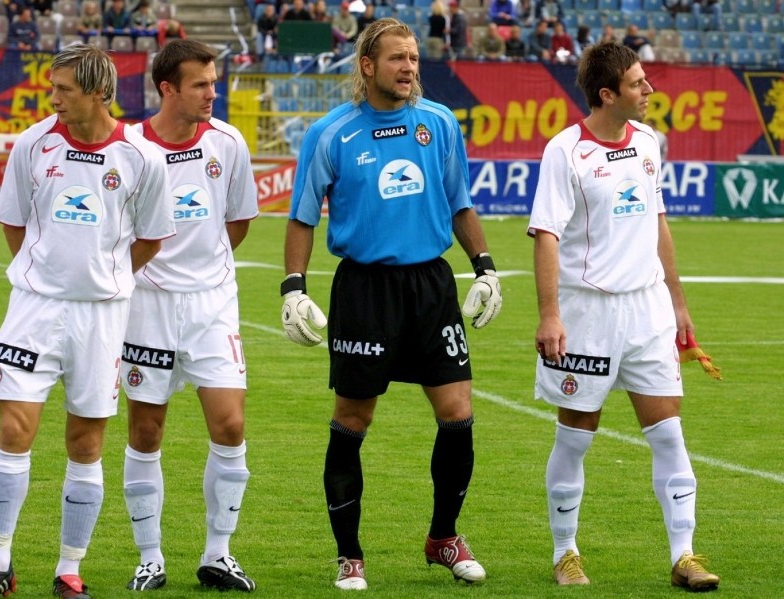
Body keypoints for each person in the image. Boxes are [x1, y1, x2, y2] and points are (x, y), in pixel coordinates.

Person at [281, 17, 502, 591]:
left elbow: (460, 203)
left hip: (432, 286)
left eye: (413, 58)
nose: (408, 68)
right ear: (367, 66)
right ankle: (349, 555)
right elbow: (302, 216)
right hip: (364, 289)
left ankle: (444, 538)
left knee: (457, 411)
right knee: (354, 418)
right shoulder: (331, 134)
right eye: (397, 58)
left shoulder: (438, 124)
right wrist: (293, 287)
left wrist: (485, 269)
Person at [0, 44, 174, 599]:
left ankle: (69, 569)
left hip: (102, 317)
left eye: (64, 89)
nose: (52, 98)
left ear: (100, 92)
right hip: (33, 309)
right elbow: (15, 224)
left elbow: (152, 236)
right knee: (14, 430)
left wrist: (103, 279)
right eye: (51, 87)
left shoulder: (140, 156)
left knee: (86, 441)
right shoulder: (34, 143)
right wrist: (48, 272)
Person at [528, 41, 720, 591]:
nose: (649, 91)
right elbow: (546, 236)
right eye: (638, 84)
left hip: (648, 311)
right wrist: (550, 315)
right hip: (586, 314)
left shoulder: (647, 143)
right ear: (607, 94)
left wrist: (678, 302)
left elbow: (658, 222)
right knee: (577, 436)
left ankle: (683, 555)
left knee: (669, 432)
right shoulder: (564, 152)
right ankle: (566, 553)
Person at [120, 39, 259, 593]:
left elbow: (238, 222)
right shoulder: (130, 146)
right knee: (146, 430)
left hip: (212, 305)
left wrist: (202, 269)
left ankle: (218, 555)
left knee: (229, 425)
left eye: (214, 81)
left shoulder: (228, 142)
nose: (212, 93)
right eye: (200, 84)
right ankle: (149, 557)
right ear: (167, 89)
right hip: (146, 304)